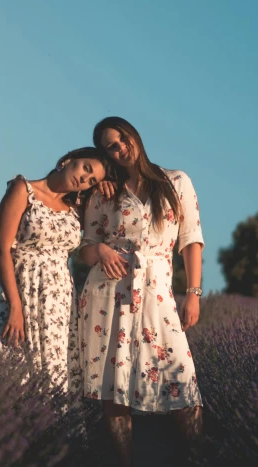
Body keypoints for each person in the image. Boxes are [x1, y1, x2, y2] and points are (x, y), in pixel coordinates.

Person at [72, 117, 205, 466]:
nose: (120, 149)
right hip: (108, 294)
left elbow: (191, 239)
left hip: (158, 292)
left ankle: (197, 457)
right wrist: (100, 251)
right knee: (113, 387)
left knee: (183, 381)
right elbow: (85, 246)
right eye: (111, 147)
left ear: (135, 136)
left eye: (122, 140)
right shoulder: (106, 192)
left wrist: (193, 292)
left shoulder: (176, 181)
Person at [0, 147, 111, 396]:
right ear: (67, 160)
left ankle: (55, 434)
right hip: (22, 294)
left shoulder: (77, 209)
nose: (84, 180)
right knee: (14, 376)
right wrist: (15, 306)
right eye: (85, 168)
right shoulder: (23, 189)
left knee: (55, 382)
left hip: (60, 305)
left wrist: (105, 189)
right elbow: (0, 250)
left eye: (92, 180)